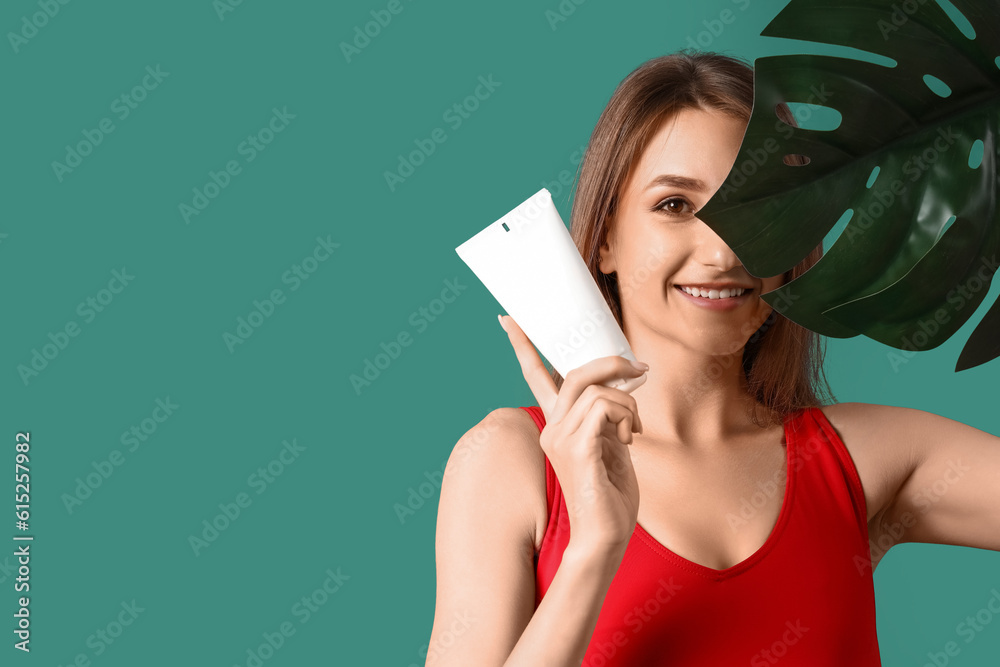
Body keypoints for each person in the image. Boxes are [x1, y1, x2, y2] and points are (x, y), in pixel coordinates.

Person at [426, 50, 1000, 666]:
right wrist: (593, 547)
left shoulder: (868, 459)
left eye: (756, 208)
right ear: (606, 240)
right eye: (675, 205)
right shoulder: (509, 463)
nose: (723, 250)